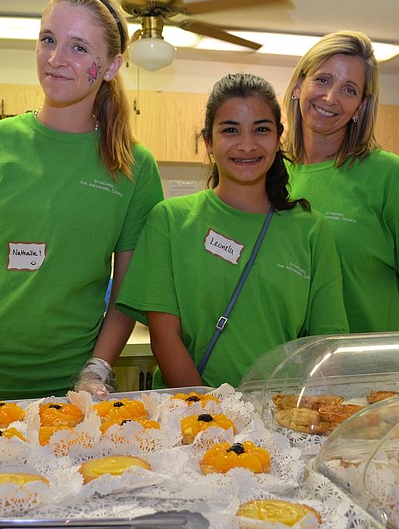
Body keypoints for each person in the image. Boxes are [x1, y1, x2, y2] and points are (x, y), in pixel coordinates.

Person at [0, 0, 164, 403]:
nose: (55, 59)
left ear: (110, 66)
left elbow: (127, 296)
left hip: (72, 395)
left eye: (78, 47)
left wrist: (96, 370)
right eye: (48, 40)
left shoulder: (133, 168)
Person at [117, 73, 349, 389]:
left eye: (261, 130)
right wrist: (208, 415)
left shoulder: (311, 230)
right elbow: (164, 337)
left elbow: (326, 346)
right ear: (208, 141)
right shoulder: (170, 220)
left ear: (278, 137)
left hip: (276, 418)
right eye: (230, 130)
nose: (246, 145)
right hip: (189, 415)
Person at [283, 30, 399, 333]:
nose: (330, 98)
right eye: (323, 79)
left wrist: (381, 348)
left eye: (349, 90)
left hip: (373, 370)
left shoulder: (391, 176)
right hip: (301, 364)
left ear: (361, 106)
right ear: (300, 85)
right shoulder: (274, 173)